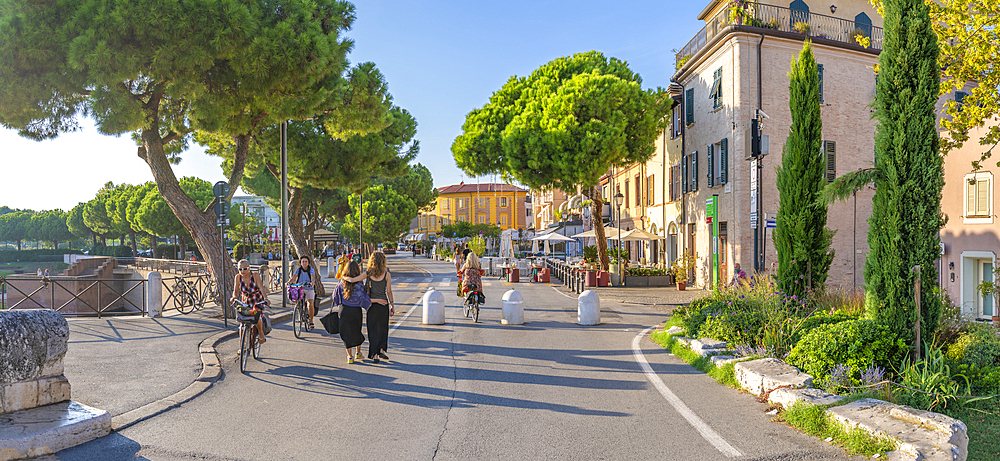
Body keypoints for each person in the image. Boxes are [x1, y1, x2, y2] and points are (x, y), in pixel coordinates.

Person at [344, 252, 394, 363]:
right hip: (384, 305)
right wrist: (392, 305)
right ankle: (381, 349)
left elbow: (353, 280)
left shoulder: (368, 273)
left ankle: (375, 355)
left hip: (372, 305)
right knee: (383, 329)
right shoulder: (387, 274)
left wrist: (344, 277)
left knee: (373, 330)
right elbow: (389, 291)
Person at [332, 261, 367, 364]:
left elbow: (334, 296)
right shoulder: (360, 282)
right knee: (356, 330)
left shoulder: (341, 282)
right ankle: (358, 352)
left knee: (346, 333)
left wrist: (340, 302)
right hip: (356, 310)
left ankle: (350, 356)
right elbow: (363, 295)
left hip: (344, 310)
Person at [230, 259, 270, 344]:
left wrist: (265, 298)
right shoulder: (237, 277)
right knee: (242, 324)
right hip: (245, 302)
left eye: (245, 268)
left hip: (256, 300)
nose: (242, 271)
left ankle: (261, 333)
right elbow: (236, 290)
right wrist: (234, 297)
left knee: (257, 317)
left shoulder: (255, 275)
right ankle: (242, 345)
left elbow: (261, 287)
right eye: (240, 269)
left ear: (249, 268)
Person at [288, 255, 318, 330]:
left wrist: (312, 282)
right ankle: (299, 310)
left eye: (306, 262)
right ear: (300, 263)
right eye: (303, 262)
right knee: (295, 298)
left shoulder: (311, 269)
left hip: (309, 288)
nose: (304, 263)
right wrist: (289, 282)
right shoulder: (298, 270)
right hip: (300, 288)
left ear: (308, 263)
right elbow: (294, 278)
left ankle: (311, 321)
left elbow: (313, 277)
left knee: (310, 304)